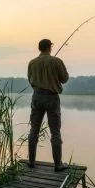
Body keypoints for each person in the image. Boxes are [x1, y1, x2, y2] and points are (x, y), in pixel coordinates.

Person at [27, 39, 69, 172]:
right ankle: (58, 165)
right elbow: (65, 79)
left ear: (39, 48)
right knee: (55, 131)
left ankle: (31, 162)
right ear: (50, 48)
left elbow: (30, 79)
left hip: (37, 97)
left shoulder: (32, 63)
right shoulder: (56, 61)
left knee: (34, 130)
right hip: (51, 97)